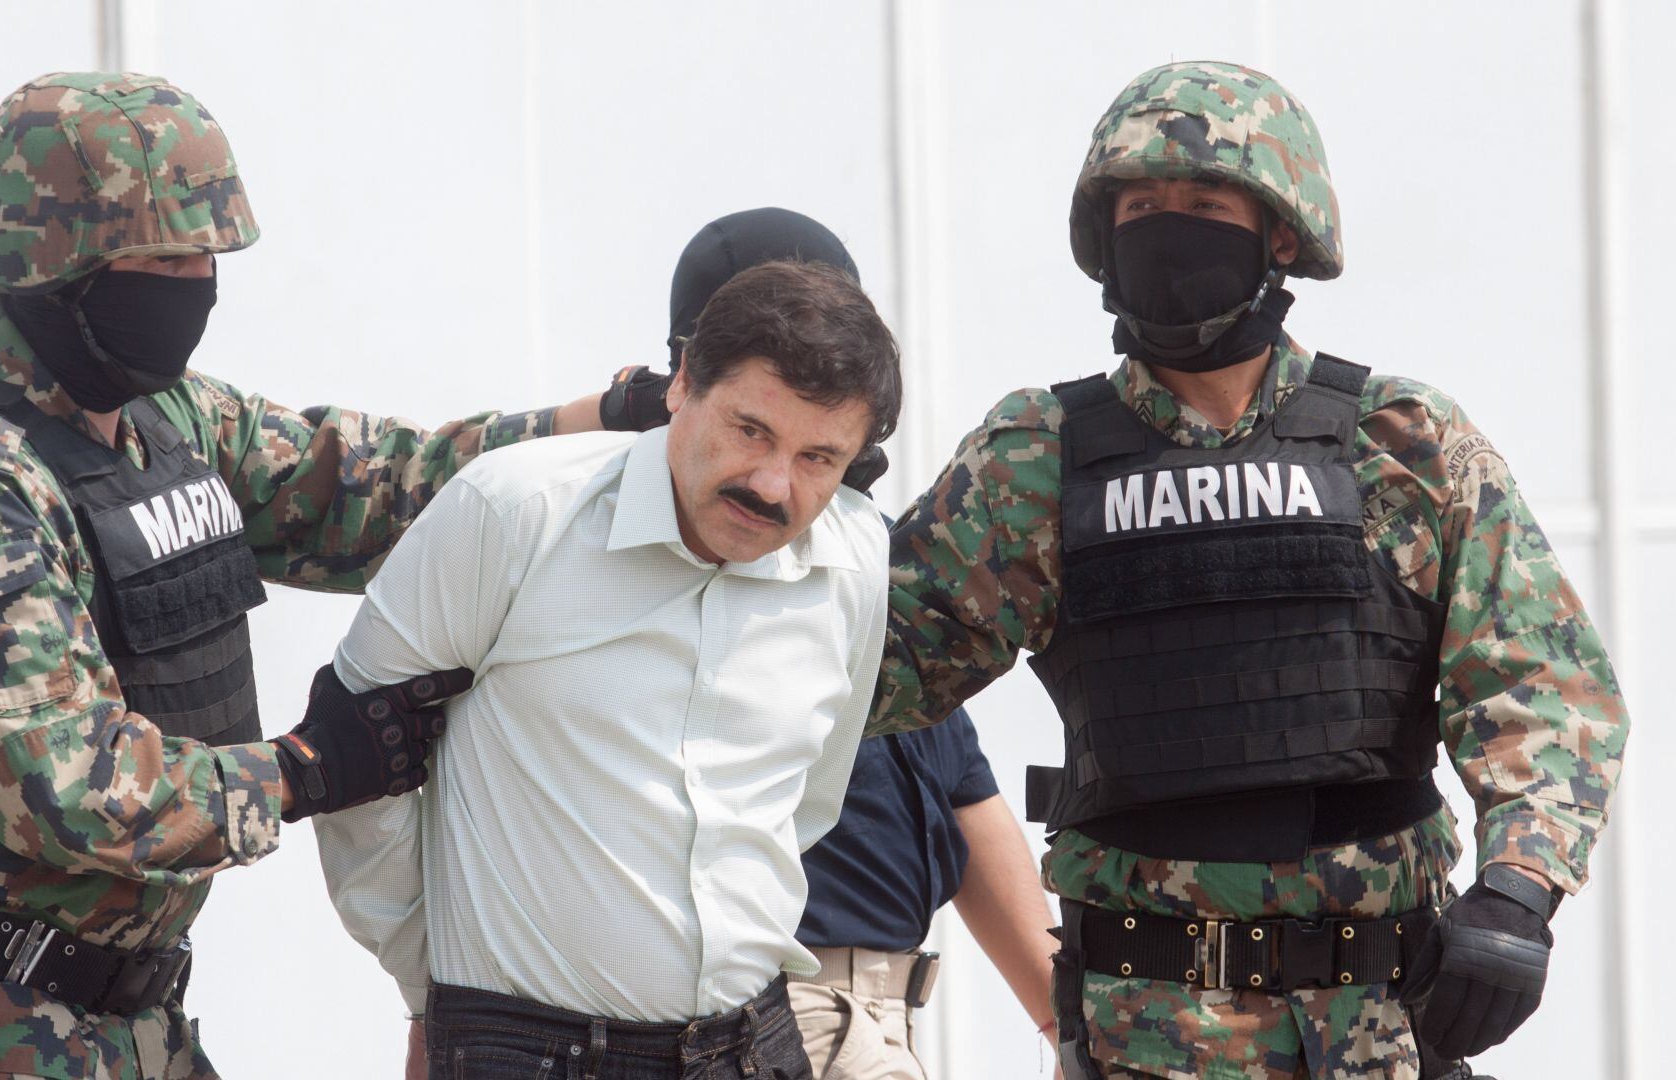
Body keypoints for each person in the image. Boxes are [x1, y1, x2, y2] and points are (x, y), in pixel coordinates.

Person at [0, 71, 611, 1080]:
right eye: (162, 258)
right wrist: (308, 769)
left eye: (206, 256)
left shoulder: (162, 418)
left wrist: (610, 424)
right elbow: (72, 785)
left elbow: (371, 488)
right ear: (55, 265)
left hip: (124, 1020)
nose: (195, 284)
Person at [867, 62, 1629, 1079]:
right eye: (1141, 207)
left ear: (1281, 232)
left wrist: (1519, 892)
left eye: (1204, 204)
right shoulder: (1035, 459)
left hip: (1379, 1030)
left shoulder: (1403, 444)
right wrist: (787, 516)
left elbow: (1542, 685)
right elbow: (869, 667)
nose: (1168, 230)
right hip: (1148, 1035)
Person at [314, 259, 902, 1079]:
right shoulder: (513, 514)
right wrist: (433, 992)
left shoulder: (856, 555)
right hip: (528, 1055)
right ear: (682, 383)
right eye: (751, 431)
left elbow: (807, 801)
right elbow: (353, 760)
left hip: (760, 1045)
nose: (774, 485)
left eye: (819, 459)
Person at [625, 208, 1063, 1079]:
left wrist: (1069, 1024)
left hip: (876, 1021)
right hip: (750, 1014)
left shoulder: (862, 554)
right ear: (693, 371)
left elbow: (962, 792)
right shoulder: (649, 553)